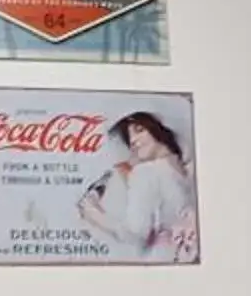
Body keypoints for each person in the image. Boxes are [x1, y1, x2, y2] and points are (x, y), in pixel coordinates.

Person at [79, 111, 198, 262]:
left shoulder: (146, 172)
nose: (133, 140)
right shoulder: (189, 171)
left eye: (139, 130)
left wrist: (94, 214)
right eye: (129, 137)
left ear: (160, 130)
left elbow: (136, 234)